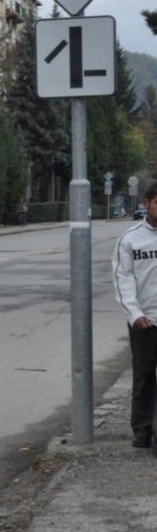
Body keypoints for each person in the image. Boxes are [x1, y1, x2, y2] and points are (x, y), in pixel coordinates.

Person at [113, 182, 157, 449]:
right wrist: (134, 313)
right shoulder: (130, 239)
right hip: (145, 320)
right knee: (143, 375)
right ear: (148, 202)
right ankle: (141, 430)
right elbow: (123, 279)